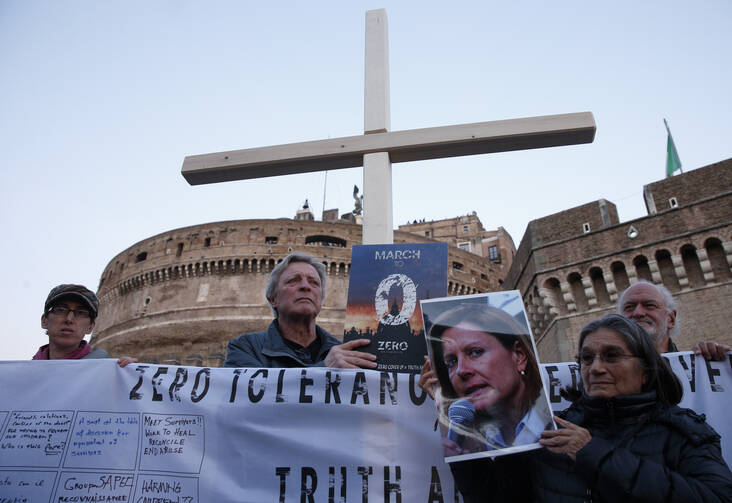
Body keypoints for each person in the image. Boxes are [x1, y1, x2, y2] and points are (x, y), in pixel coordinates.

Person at [450, 314, 732, 502]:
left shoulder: (685, 432)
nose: (596, 368)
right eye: (587, 358)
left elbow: (717, 497)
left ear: (646, 369)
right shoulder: (549, 430)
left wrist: (592, 453)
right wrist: (464, 447)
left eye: (612, 356)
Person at [427, 304, 553, 454]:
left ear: (519, 356)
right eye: (451, 362)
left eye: (476, 352)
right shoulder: (465, 446)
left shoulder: (564, 423)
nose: (461, 370)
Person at [224, 252, 377, 368]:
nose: (305, 286)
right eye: (293, 281)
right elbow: (250, 400)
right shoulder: (245, 348)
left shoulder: (343, 353)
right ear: (273, 298)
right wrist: (324, 369)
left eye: (314, 283)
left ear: (320, 300)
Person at [618, 280, 730, 360]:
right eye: (629, 307)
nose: (638, 313)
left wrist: (713, 364)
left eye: (649, 305)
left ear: (670, 319)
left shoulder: (700, 366)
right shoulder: (605, 373)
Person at [33, 284, 137, 366]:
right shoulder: (22, 374)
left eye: (81, 313)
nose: (69, 319)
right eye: (61, 310)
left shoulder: (106, 371)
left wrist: (129, 375)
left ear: (90, 327)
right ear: (44, 321)